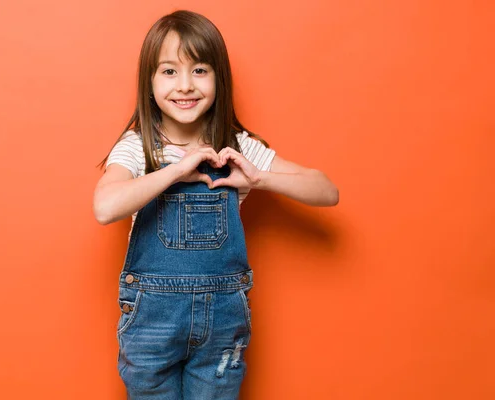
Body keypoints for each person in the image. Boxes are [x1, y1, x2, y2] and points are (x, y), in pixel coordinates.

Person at [93, 9, 339, 399]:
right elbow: (105, 207)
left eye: (200, 70)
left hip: (224, 324)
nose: (185, 86)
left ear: (218, 77)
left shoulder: (236, 147)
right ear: (150, 81)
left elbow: (327, 191)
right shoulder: (139, 148)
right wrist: (175, 171)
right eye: (169, 71)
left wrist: (258, 178)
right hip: (152, 325)